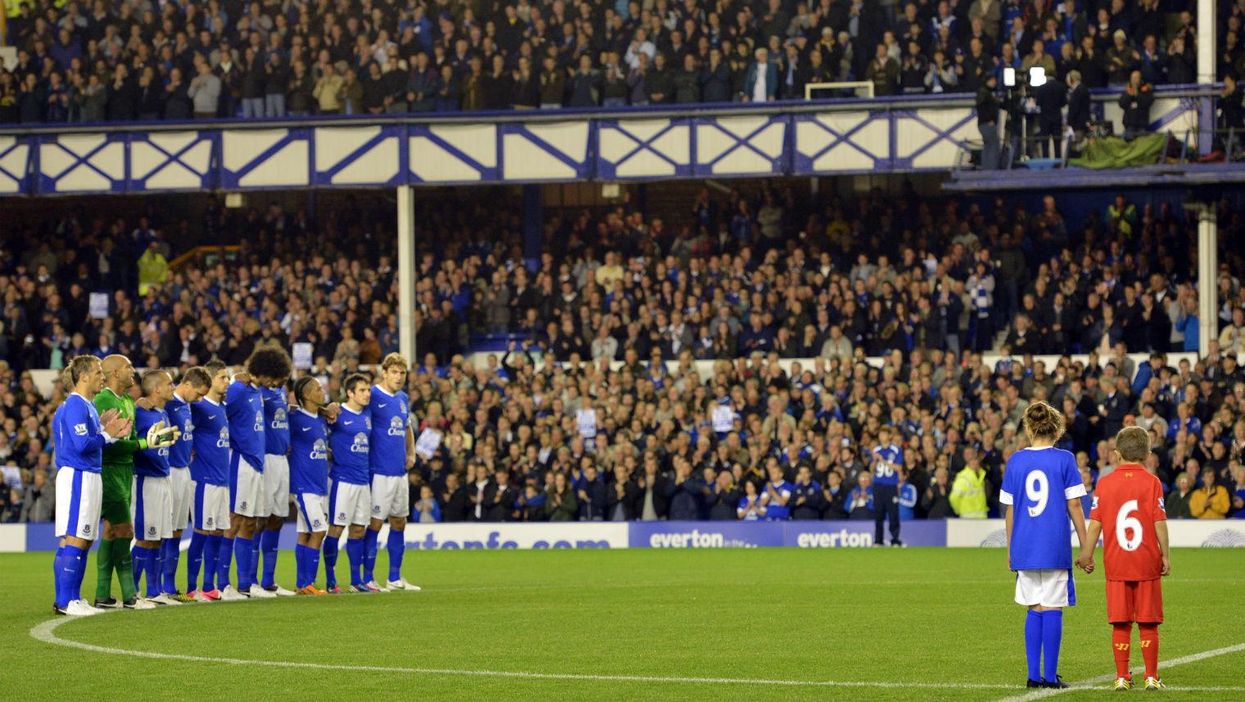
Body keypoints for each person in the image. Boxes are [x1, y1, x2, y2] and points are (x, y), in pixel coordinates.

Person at [1000, 401, 1091, 689]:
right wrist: (1086, 546)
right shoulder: (1064, 459)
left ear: (1028, 428)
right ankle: (1050, 677)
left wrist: (1011, 550)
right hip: (1053, 545)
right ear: (1057, 428)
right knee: (1052, 606)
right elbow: (1074, 504)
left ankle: (1032, 675)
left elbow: (1011, 510)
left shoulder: (1016, 460)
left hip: (1025, 546)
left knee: (1034, 607)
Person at [1075, 427, 1170, 691]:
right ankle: (1151, 676)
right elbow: (1159, 522)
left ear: (1117, 454)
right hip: (1146, 561)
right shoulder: (1153, 483)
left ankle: (1121, 677)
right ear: (1147, 454)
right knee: (1148, 621)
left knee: (1120, 621)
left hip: (1116, 563)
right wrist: (1166, 555)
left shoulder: (1104, 483)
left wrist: (1086, 554)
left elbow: (1095, 522)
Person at [52, 356, 131, 616]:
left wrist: (102, 427)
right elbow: (82, 445)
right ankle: (66, 601)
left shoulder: (86, 406)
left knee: (82, 539)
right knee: (76, 536)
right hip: (78, 475)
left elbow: (87, 439)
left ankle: (71, 597)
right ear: (83, 376)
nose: (102, 376)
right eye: (98, 372)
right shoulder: (76, 404)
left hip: (86, 475)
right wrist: (108, 434)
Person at [92, 354, 155, 610]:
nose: (133, 371)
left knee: (110, 531)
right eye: (129, 367)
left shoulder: (128, 401)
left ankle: (102, 595)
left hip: (126, 472)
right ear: (115, 373)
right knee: (125, 531)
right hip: (109, 472)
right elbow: (109, 445)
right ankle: (130, 596)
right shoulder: (102, 400)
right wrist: (144, 444)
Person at [219, 352, 276, 601]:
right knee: (235, 519)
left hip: (257, 463)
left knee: (251, 522)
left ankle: (245, 583)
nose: (274, 382)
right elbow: (220, 410)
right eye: (272, 376)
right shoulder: (239, 390)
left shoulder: (255, 392)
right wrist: (232, 379)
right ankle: (222, 583)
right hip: (241, 460)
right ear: (263, 371)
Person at [366, 353, 419, 591]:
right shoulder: (372, 395)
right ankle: (367, 578)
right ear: (384, 373)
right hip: (379, 471)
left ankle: (395, 578)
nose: (399, 377)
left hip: (399, 471)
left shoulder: (402, 398)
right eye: (394, 372)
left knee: (399, 522)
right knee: (375, 523)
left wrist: (411, 452)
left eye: (402, 373)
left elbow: (407, 427)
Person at [130, 370, 182, 606]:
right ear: (157, 389)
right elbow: (132, 445)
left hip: (164, 477)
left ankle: (154, 591)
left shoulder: (162, 412)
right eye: (170, 384)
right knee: (144, 538)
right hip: (146, 480)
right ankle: (131, 591)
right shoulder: (140, 413)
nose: (174, 387)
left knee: (158, 538)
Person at [161, 366, 209, 601]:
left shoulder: (188, 406)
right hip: (167, 471)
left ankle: (169, 586)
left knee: (178, 530)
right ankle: (155, 585)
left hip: (184, 471)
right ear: (188, 384)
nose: (200, 399)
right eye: (198, 393)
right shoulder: (168, 404)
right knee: (163, 530)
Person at [326, 373, 375, 592]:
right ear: (350, 392)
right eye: (362, 390)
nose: (367, 394)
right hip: (343, 480)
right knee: (336, 528)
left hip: (363, 481)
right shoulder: (336, 413)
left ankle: (356, 581)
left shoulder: (367, 415)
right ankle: (330, 578)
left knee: (358, 530)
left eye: (368, 390)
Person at [188, 361, 231, 601]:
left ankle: (208, 585)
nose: (227, 382)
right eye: (223, 378)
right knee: (201, 531)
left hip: (222, 480)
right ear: (211, 380)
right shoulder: (199, 407)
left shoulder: (223, 407)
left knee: (217, 532)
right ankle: (192, 587)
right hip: (204, 479)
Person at [257, 348, 294, 596]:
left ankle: (269, 581)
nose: (280, 381)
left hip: (282, 459)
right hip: (266, 458)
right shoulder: (256, 393)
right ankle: (248, 581)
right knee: (258, 519)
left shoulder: (280, 392)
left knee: (277, 518)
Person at [289, 376, 330, 596]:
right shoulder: (295, 418)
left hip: (319, 485)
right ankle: (309, 582)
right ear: (306, 395)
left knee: (305, 533)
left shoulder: (320, 420)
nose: (321, 391)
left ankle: (301, 585)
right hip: (304, 486)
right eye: (317, 389)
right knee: (320, 530)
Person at [870, 426, 903, 545]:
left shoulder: (896, 450)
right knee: (878, 513)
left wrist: (883, 460)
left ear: (889, 436)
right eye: (880, 434)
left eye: (884, 434)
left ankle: (895, 539)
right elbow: (871, 469)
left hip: (890, 485)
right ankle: (878, 540)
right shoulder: (876, 450)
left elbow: (898, 468)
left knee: (893, 513)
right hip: (878, 485)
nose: (881, 436)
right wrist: (874, 461)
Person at [976, 73, 1002, 169]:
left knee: (987, 146)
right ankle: (991, 168)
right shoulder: (985, 93)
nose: (995, 82)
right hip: (987, 123)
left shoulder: (985, 92)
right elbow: (982, 108)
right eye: (993, 80)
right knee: (993, 145)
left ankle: (986, 167)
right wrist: (989, 119)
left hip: (983, 123)